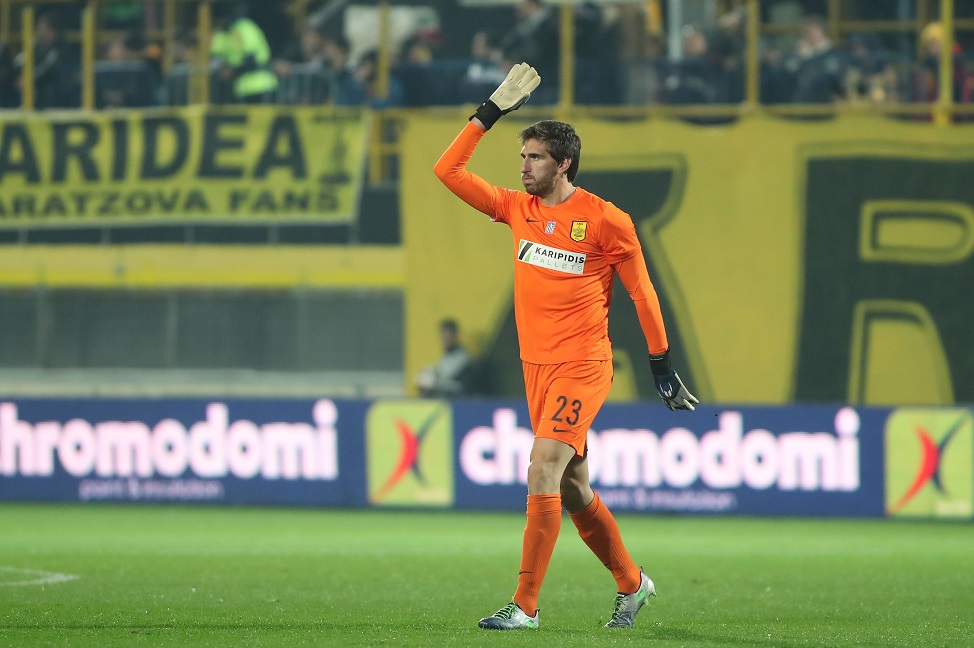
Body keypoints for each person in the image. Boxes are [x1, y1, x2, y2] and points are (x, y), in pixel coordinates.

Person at [433, 63, 698, 631]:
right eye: (522, 156)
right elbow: (447, 170)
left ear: (563, 164)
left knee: (542, 469)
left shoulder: (605, 220)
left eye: (534, 158)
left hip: (583, 365)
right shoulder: (517, 209)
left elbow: (643, 295)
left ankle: (525, 606)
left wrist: (661, 365)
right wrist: (491, 110)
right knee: (574, 488)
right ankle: (632, 583)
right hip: (537, 367)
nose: (523, 166)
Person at [416, 318, 475, 398]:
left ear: (455, 336)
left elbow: (459, 385)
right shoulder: (445, 356)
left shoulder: (463, 358)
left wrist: (436, 380)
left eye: (447, 337)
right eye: (443, 337)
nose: (444, 340)